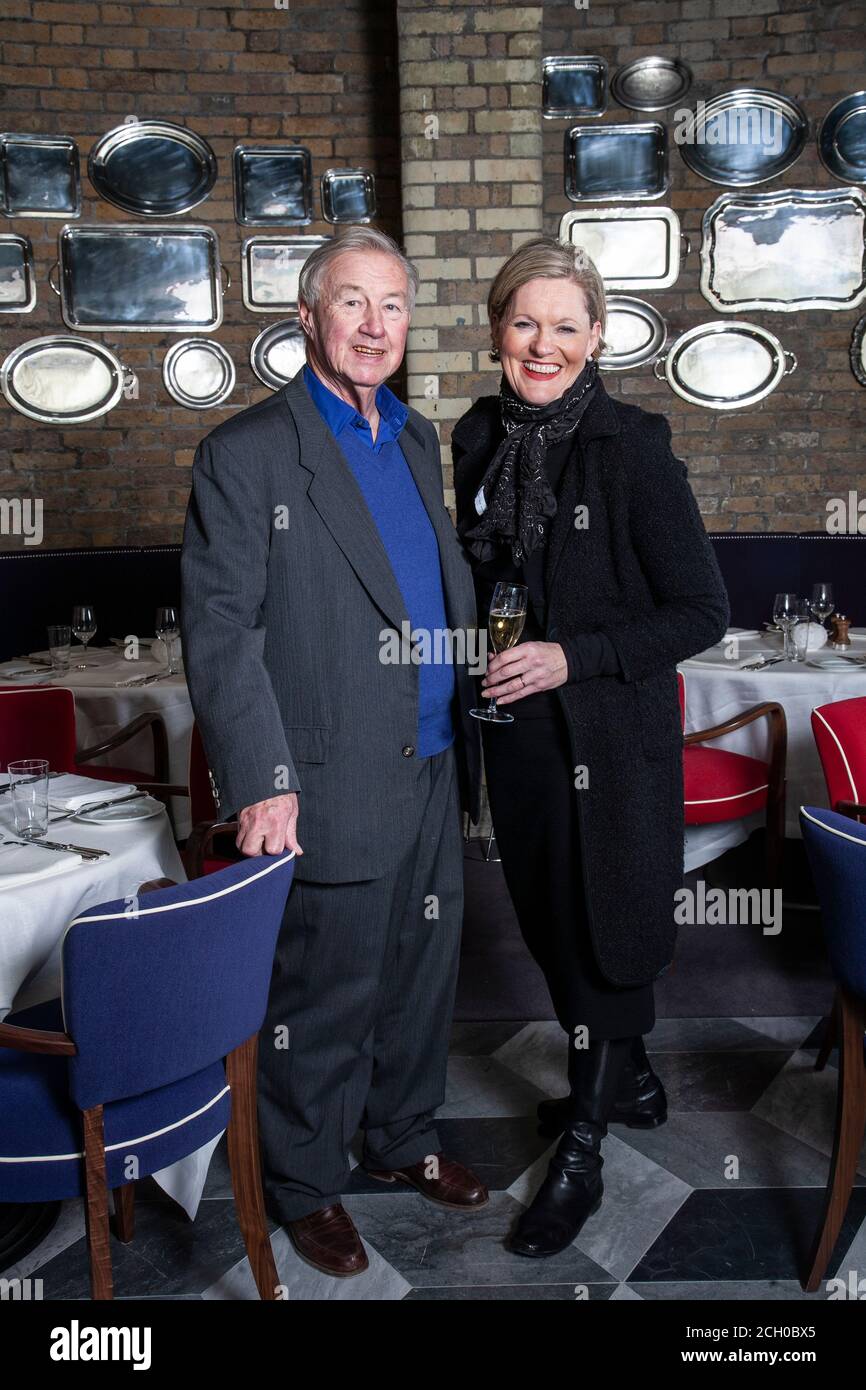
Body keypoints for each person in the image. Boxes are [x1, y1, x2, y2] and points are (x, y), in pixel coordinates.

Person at [182, 226, 487, 1279]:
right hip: (328, 770)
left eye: (391, 305)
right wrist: (263, 781)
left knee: (418, 974)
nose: (373, 325)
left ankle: (402, 1139)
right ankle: (303, 1185)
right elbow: (223, 632)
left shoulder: (414, 438)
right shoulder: (245, 453)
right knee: (322, 996)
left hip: (435, 757)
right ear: (308, 317)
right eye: (351, 303)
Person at [452, 236, 730, 1258]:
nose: (542, 343)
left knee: (606, 926)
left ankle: (584, 1138)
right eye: (524, 321)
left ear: (597, 335)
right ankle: (631, 1074)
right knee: (551, 927)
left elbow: (701, 610)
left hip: (609, 741)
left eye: (565, 325)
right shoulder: (476, 436)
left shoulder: (633, 446)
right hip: (515, 736)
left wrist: (575, 657)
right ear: (495, 328)